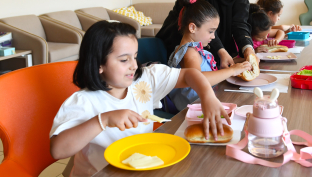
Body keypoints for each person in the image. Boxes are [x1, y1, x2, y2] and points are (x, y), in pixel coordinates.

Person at [49, 21, 229, 177]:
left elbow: (190, 74)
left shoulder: (145, 80)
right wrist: (103, 120)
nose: (134, 65)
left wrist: (207, 96)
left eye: (134, 57)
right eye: (123, 60)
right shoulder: (83, 101)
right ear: (99, 64)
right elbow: (58, 150)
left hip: (139, 167)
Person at [167, 0, 251, 111]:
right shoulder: (189, 52)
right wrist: (232, 70)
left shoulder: (192, 49)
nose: (213, 37)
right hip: (194, 108)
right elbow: (199, 79)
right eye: (211, 31)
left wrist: (240, 64)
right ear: (192, 28)